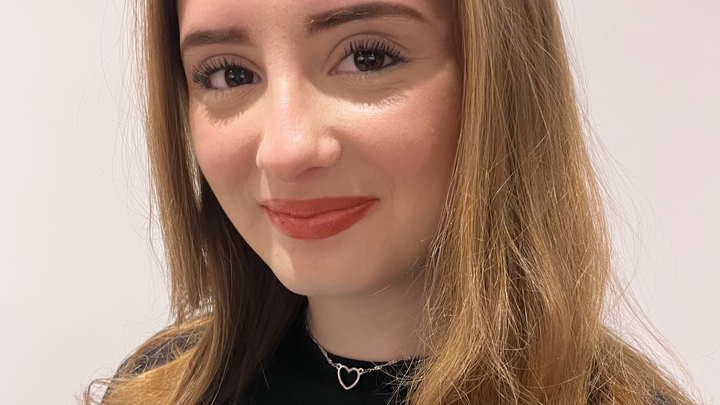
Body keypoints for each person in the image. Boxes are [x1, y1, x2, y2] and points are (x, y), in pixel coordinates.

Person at [84, 0, 698, 404]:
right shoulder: (159, 390)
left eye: (367, 57)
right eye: (229, 74)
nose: (286, 150)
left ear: (496, 82)